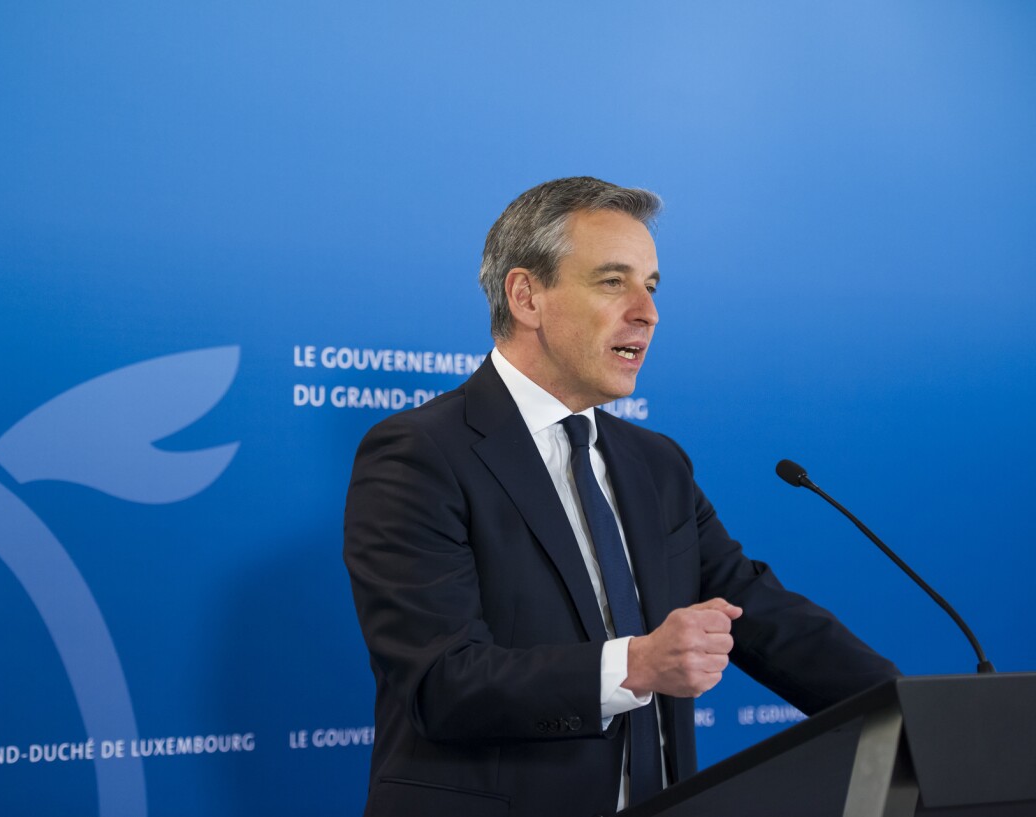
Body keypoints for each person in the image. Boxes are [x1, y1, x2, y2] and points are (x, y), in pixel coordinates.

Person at [343, 177, 899, 817]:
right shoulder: (420, 453)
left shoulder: (655, 463)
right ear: (526, 296)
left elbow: (754, 612)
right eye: (613, 282)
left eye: (652, 287)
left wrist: (917, 709)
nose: (647, 312)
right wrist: (635, 665)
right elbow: (441, 682)